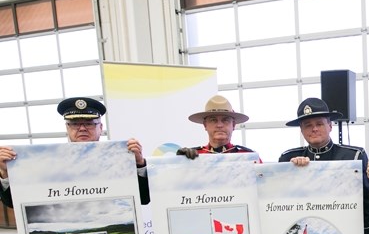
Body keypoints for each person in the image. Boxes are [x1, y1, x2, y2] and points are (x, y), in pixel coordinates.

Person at [0, 97, 148, 207]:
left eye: (89, 124)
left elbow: (144, 198)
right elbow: (13, 203)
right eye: (75, 124)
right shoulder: (46, 160)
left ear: (100, 127)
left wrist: (139, 164)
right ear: (67, 128)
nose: (82, 128)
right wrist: (6, 173)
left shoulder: (121, 157)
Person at [280, 97, 369, 234]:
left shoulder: (353, 156)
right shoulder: (288, 159)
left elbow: (367, 201)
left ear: (330, 126)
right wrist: (291, 172)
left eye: (319, 124)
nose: (314, 129)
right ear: (301, 130)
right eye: (308, 125)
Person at [175, 95, 259, 160]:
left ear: (233, 125)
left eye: (225, 120)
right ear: (205, 125)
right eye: (213, 120)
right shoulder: (192, 157)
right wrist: (180, 162)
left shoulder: (248, 158)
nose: (219, 125)